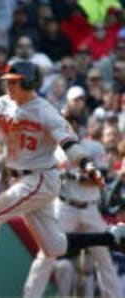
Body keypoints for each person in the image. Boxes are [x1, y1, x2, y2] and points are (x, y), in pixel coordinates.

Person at [0, 61, 125, 298]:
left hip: (41, 178)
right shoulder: (0, 105)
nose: (8, 86)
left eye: (14, 82)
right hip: (23, 180)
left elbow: (69, 143)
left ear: (29, 82)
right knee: (54, 246)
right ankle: (112, 237)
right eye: (7, 82)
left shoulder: (45, 111)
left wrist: (87, 166)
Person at [23, 115, 122, 298]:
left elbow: (99, 178)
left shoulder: (93, 147)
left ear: (77, 126)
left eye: (69, 124)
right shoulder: (55, 151)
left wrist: (73, 176)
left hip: (90, 208)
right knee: (47, 253)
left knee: (104, 258)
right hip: (65, 207)